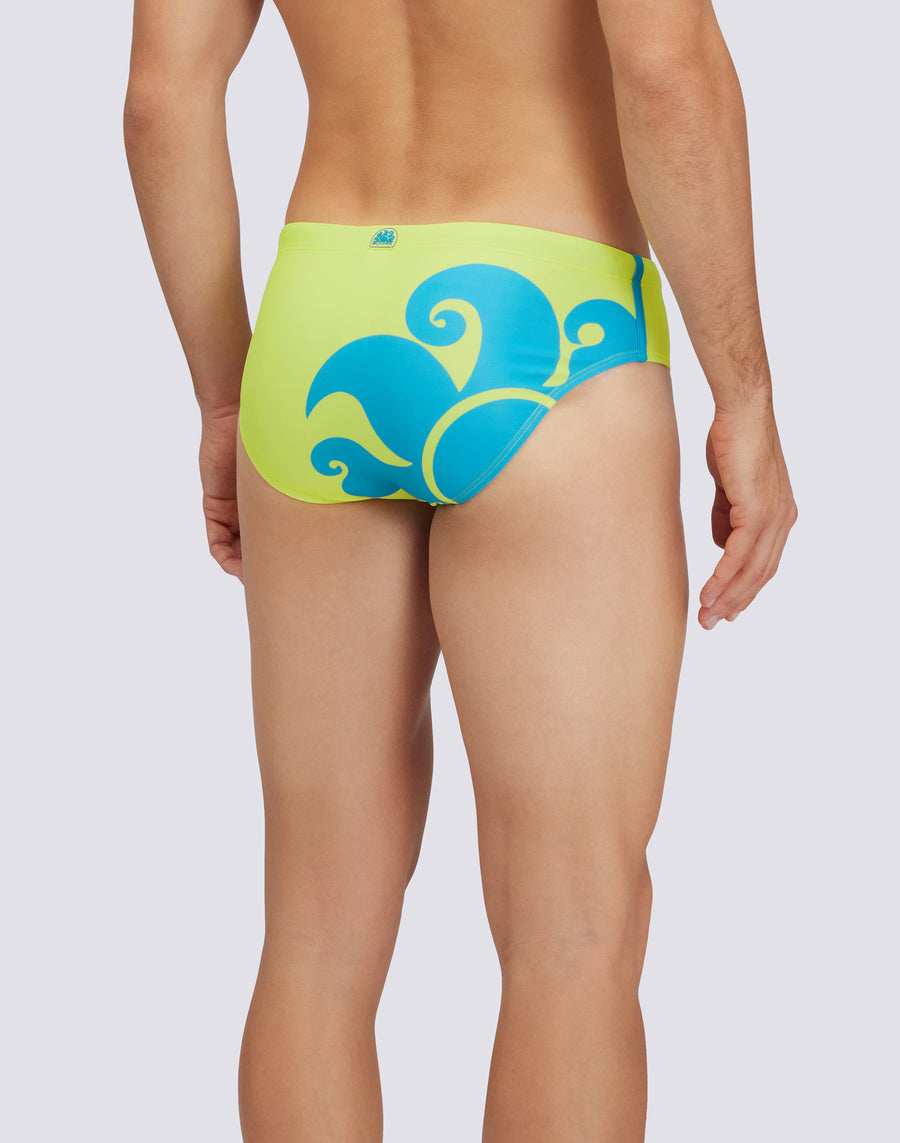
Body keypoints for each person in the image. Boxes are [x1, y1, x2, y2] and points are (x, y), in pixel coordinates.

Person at [123, 0, 798, 1139]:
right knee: (573, 932)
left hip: (317, 327)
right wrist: (747, 396)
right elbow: (667, 70)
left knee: (315, 933)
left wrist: (224, 400)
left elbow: (160, 100)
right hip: (548, 321)